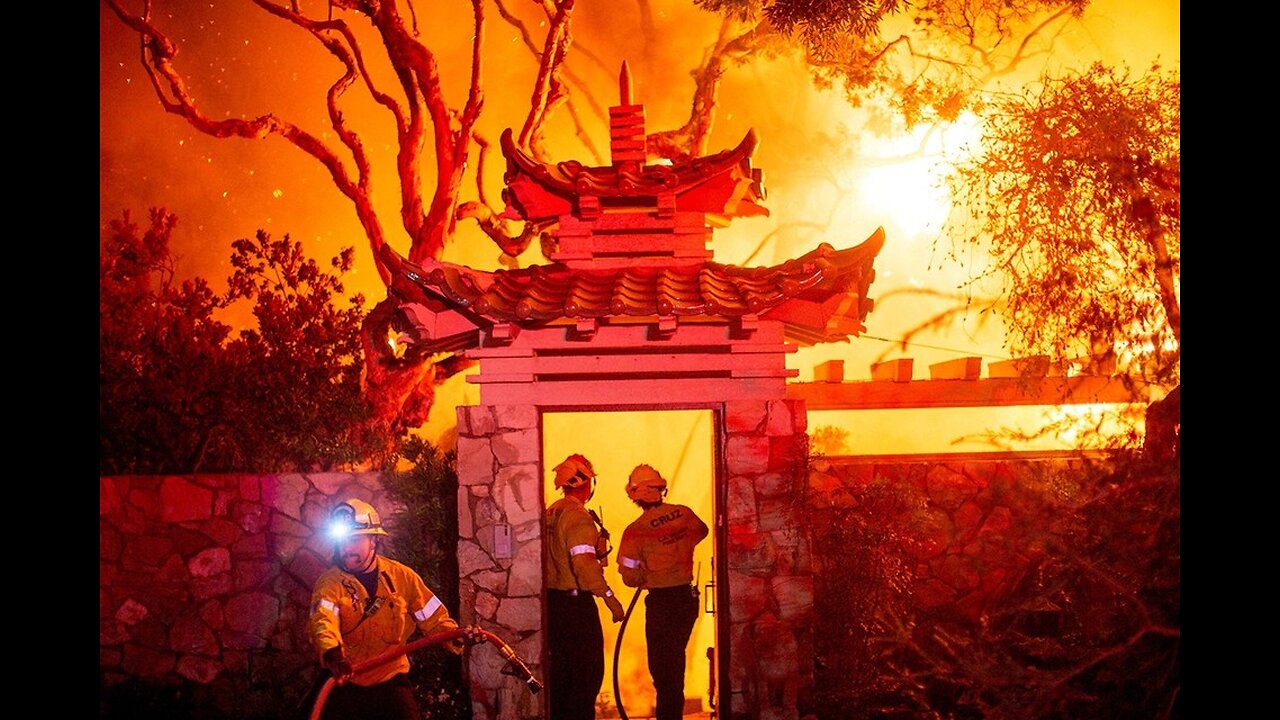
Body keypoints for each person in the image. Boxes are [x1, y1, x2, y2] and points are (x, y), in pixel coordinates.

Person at [307, 497, 471, 720]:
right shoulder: (330, 584)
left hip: (390, 679)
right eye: (342, 542)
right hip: (347, 679)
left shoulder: (401, 576)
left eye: (354, 540)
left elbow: (432, 616)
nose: (346, 549)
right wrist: (332, 654)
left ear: (373, 540)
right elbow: (322, 620)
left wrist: (455, 636)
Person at [616, 464, 710, 720]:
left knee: (662, 670)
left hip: (661, 604)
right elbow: (702, 531)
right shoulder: (684, 513)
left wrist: (649, 572)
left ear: (637, 495)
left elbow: (628, 575)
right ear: (660, 489)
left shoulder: (635, 531)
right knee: (675, 664)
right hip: (686, 600)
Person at [544, 453, 627, 720]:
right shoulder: (579, 517)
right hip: (576, 606)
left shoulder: (552, 511)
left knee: (561, 680)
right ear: (585, 482)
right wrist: (611, 599)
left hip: (553, 604)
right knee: (586, 677)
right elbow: (584, 566)